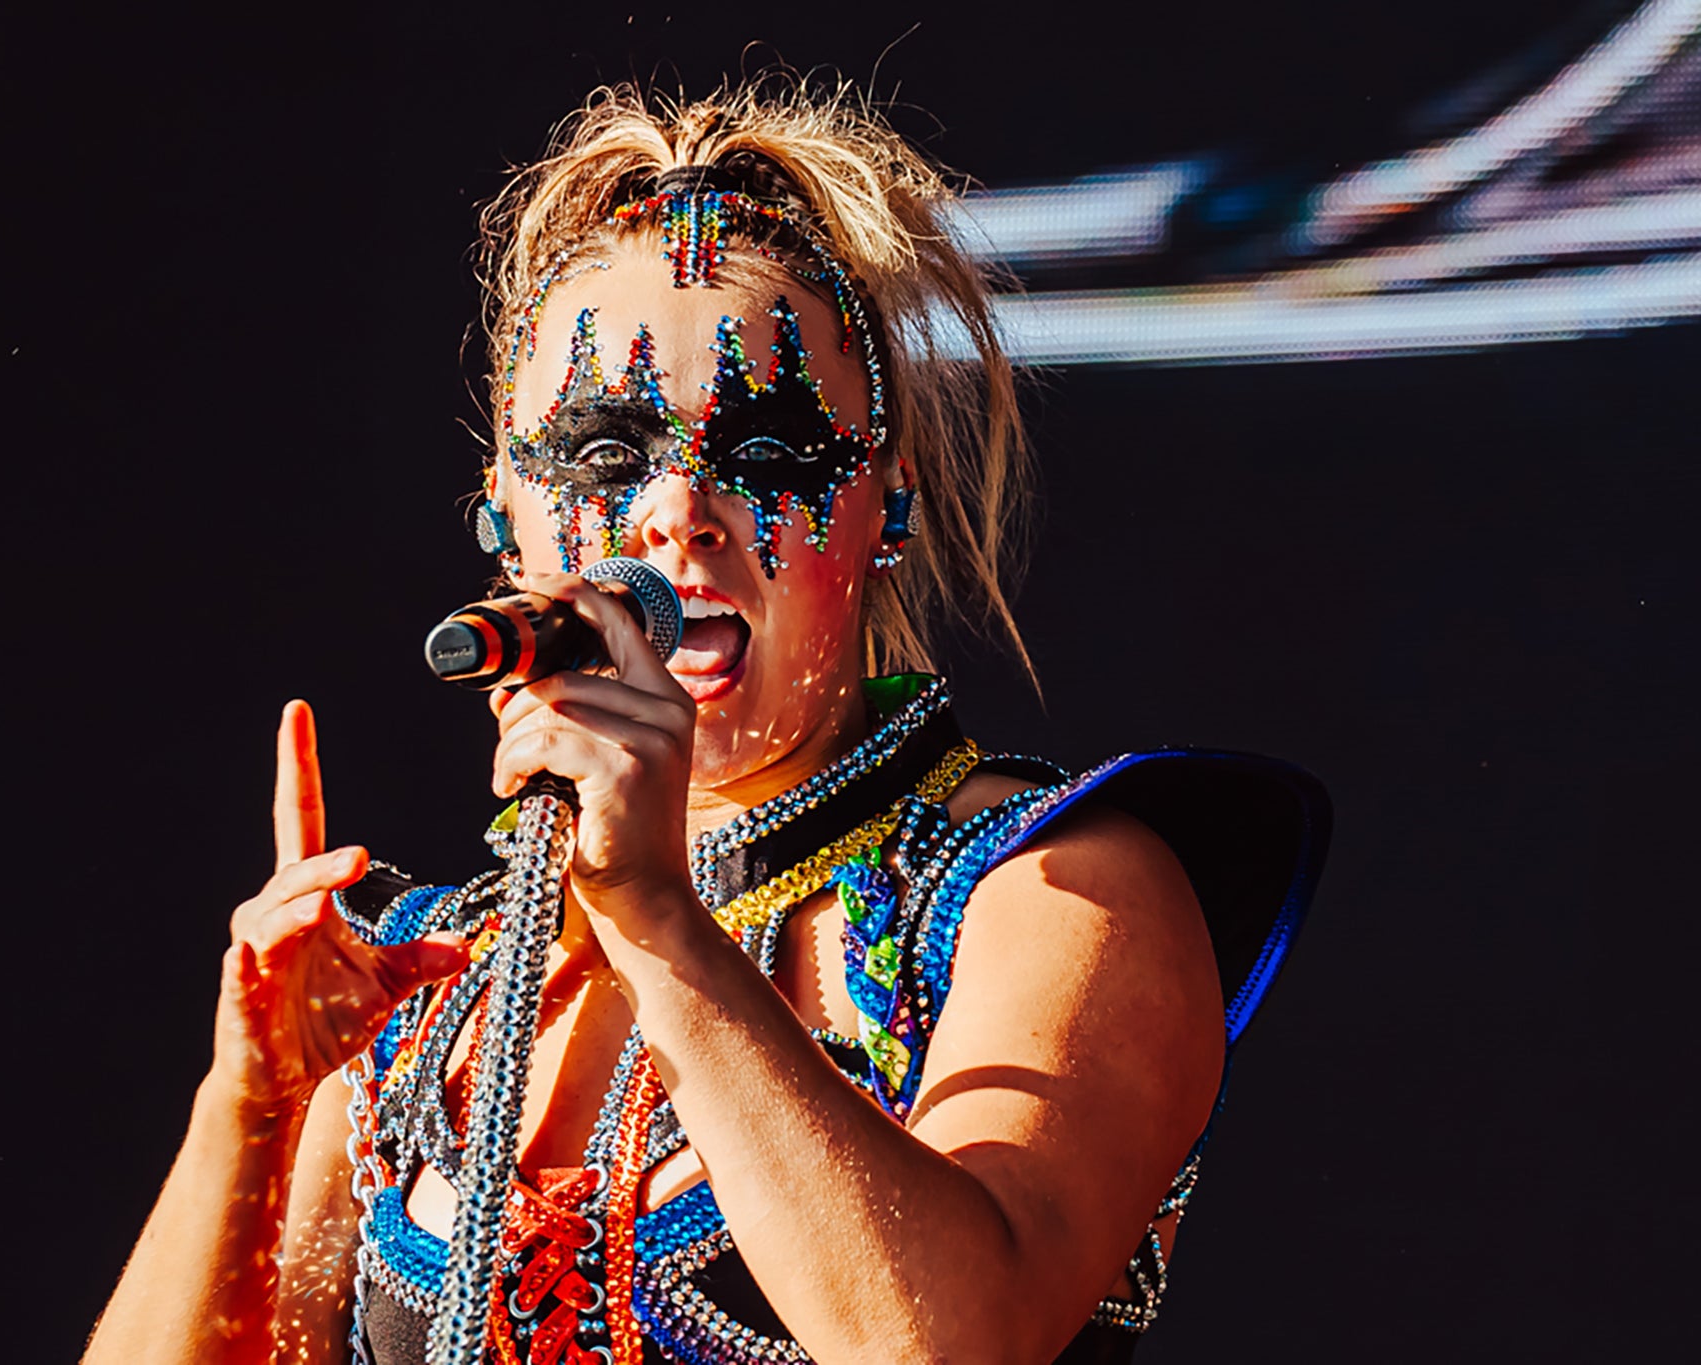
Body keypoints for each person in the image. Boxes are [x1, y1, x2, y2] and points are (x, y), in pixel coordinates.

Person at [82, 81, 1331, 1365]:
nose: (678, 512)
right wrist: (247, 1109)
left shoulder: (1055, 891)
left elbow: (945, 1347)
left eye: (768, 451)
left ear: (886, 507)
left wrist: (655, 918)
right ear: (501, 511)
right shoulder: (415, 992)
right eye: (605, 455)